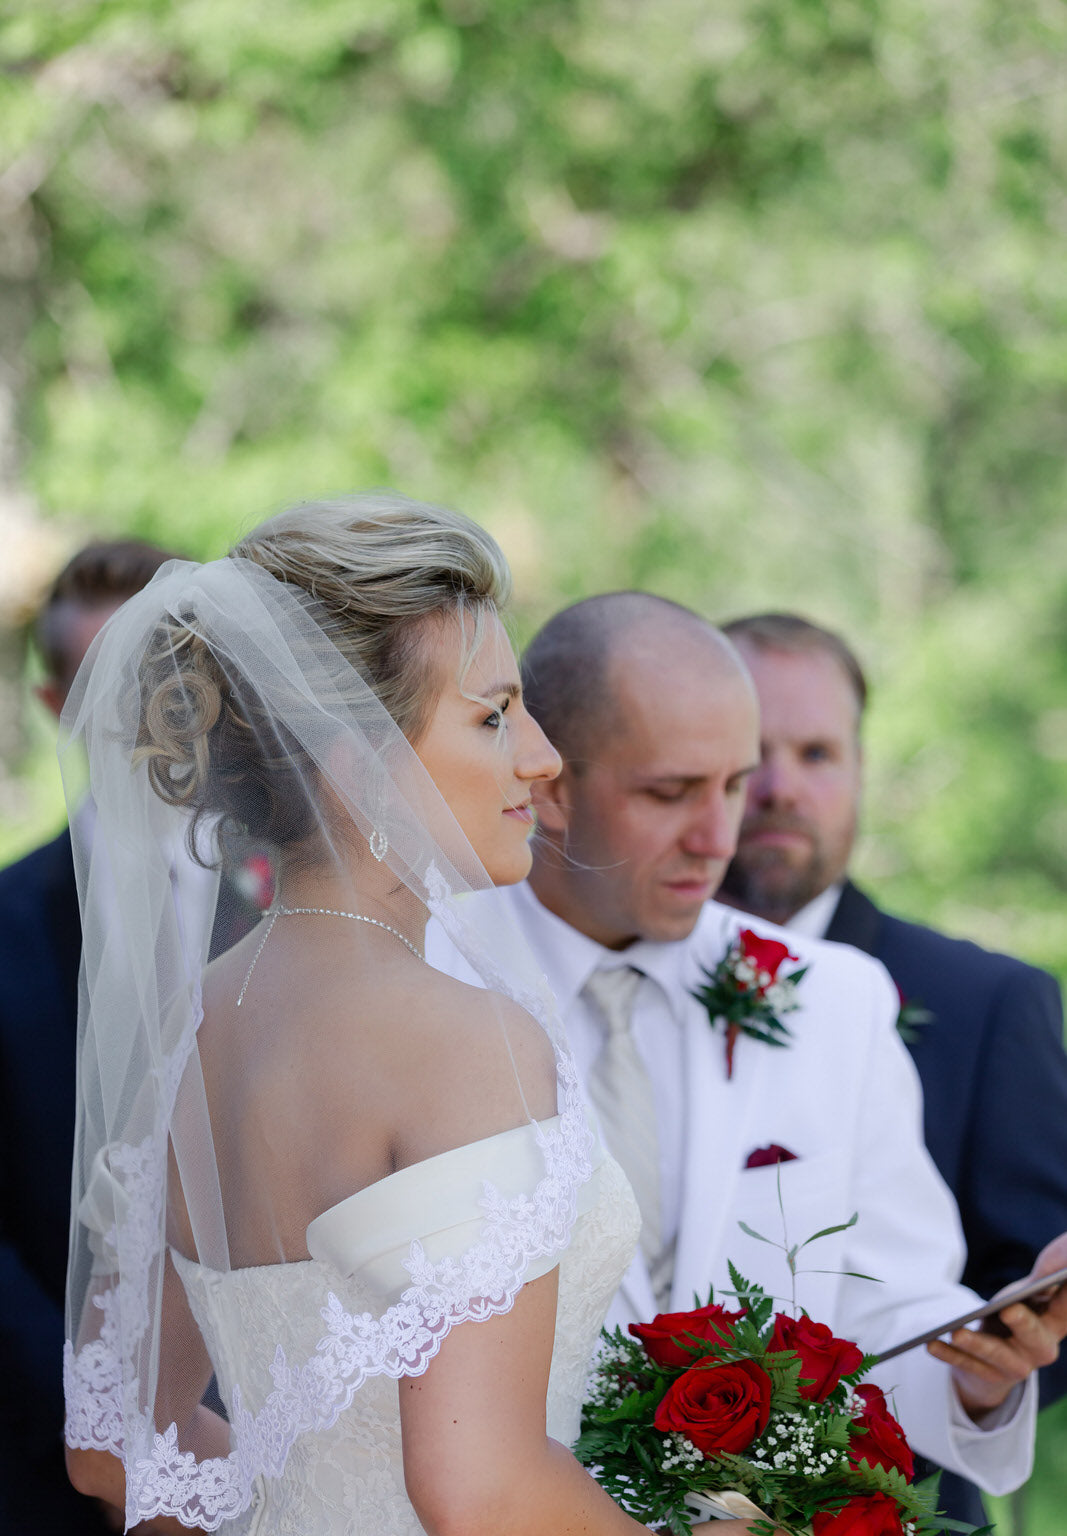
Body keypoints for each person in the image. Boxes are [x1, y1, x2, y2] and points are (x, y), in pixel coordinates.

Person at [62, 499, 758, 1536]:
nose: (541, 756)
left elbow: (113, 1449)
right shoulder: (462, 1042)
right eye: (492, 715)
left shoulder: (194, 1026)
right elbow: (478, 1491)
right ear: (354, 764)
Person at [428, 590, 1067, 1513]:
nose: (716, 835)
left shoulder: (832, 999)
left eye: (731, 784)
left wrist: (975, 1372)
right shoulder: (424, 979)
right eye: (668, 792)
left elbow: (886, 1309)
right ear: (551, 785)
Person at [717, 609, 1067, 1525]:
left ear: (861, 771)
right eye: (753, 752)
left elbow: (1028, 1288)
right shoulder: (605, 978)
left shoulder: (989, 1000)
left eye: (818, 753)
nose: (780, 787)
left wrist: (986, 1376)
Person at [0, 538, 181, 1536]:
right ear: (52, 706)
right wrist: (106, 1436)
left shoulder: (310, 903)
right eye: (114, 683)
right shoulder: (7, 928)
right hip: (51, 1477)